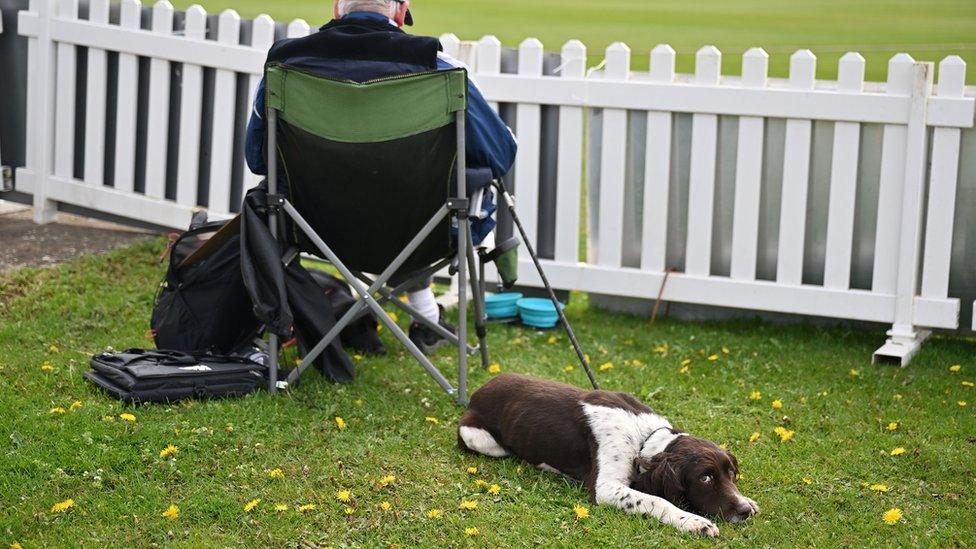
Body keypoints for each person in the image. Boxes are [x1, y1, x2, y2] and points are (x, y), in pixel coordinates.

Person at [244, 0, 517, 355]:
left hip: (312, 228)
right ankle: (426, 316)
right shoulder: (441, 70)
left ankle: (411, 312)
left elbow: (257, 158)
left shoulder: (284, 68)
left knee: (393, 193)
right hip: (425, 231)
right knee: (426, 193)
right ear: (401, 12)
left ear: (337, 9)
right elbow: (502, 154)